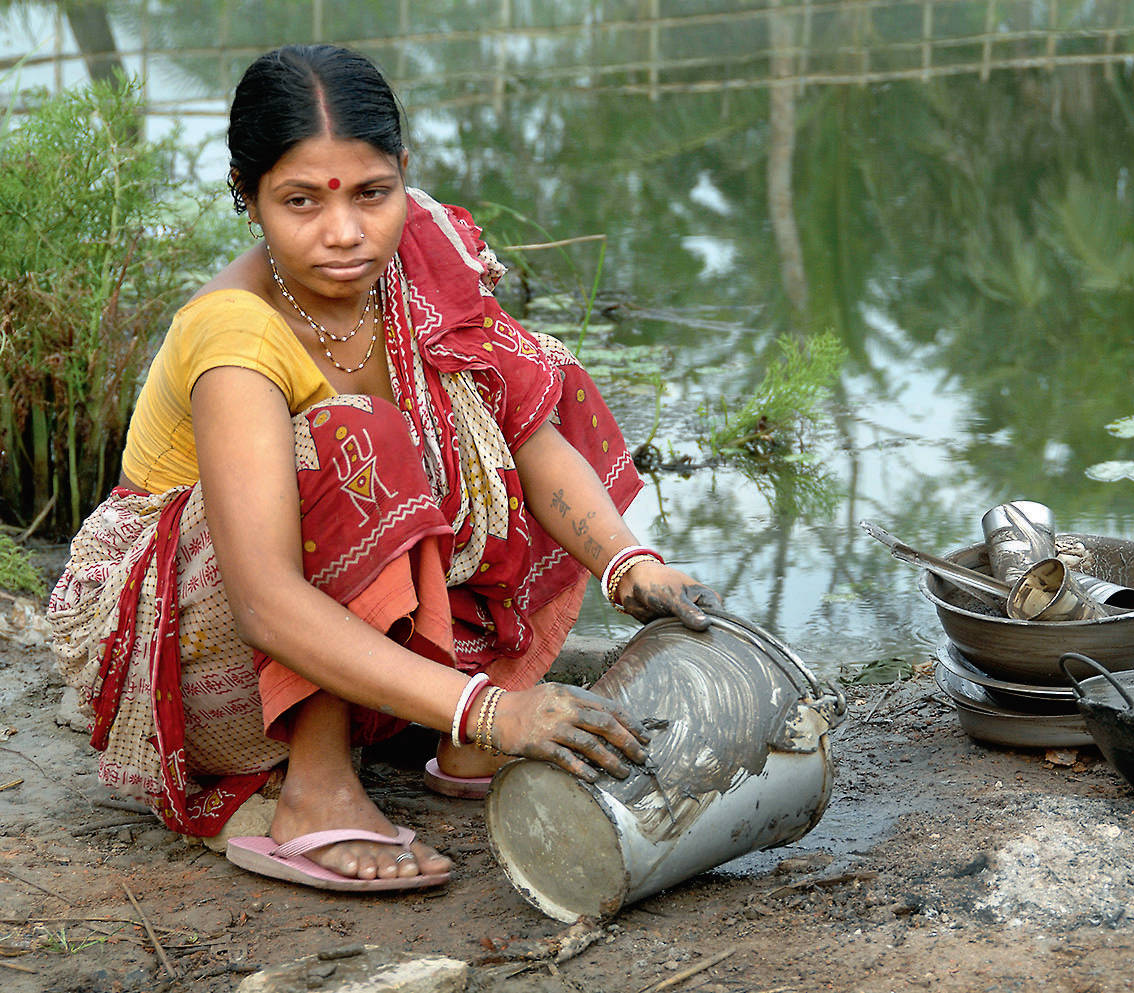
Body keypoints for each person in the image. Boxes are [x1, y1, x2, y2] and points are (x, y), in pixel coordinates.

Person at [47, 43, 721, 893]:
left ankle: (456, 728)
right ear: (246, 196)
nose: (345, 233)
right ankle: (316, 782)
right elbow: (262, 600)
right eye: (299, 202)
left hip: (332, 632)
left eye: (372, 193)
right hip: (197, 654)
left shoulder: (419, 258)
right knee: (357, 440)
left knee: (513, 395)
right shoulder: (233, 332)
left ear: (404, 171)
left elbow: (528, 434)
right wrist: (497, 710)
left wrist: (631, 563)